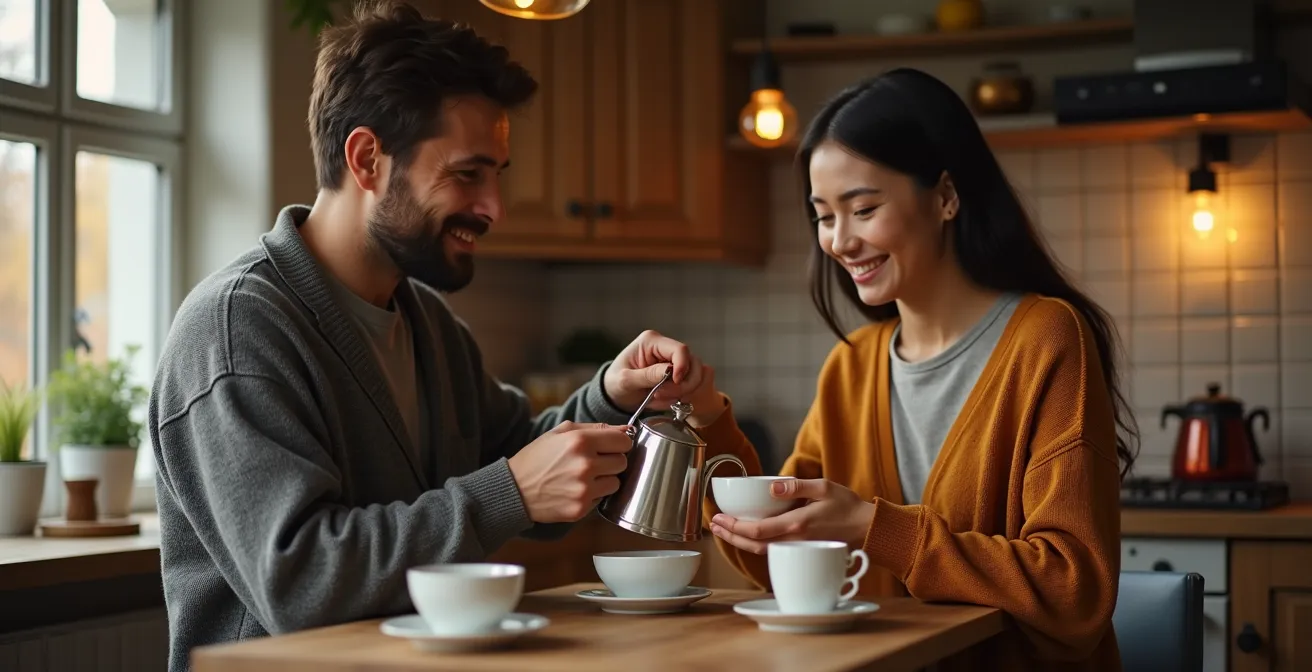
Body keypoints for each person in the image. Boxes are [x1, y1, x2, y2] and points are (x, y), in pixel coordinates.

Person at [147, 3, 727, 669]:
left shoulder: (428, 322)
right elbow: (302, 582)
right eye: (466, 174)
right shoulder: (237, 331)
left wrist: (611, 398)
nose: (494, 208)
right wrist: (508, 493)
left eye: (497, 175)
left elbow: (518, 461)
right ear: (368, 159)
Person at [684, 68, 1139, 672]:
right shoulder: (850, 366)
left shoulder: (1047, 338)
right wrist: (709, 421)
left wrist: (875, 527)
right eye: (823, 216)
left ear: (946, 196)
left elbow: (1073, 592)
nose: (839, 241)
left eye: (863, 208)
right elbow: (783, 561)